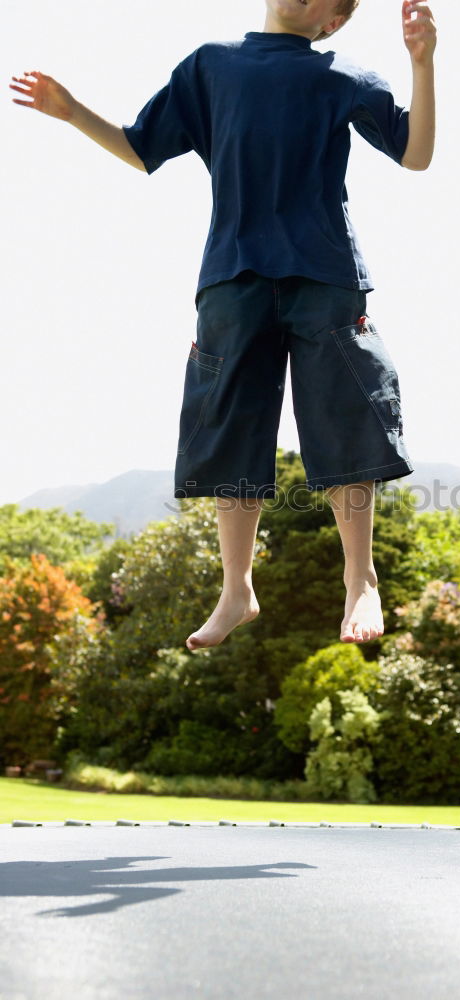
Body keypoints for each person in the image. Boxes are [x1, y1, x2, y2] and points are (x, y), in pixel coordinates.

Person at [9, 0, 436, 650]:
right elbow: (141, 146)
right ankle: (236, 588)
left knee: (345, 413)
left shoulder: (341, 74)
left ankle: (361, 578)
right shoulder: (211, 66)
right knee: (230, 422)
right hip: (233, 273)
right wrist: (73, 113)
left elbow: (416, 153)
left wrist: (422, 64)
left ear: (334, 20)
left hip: (323, 271)